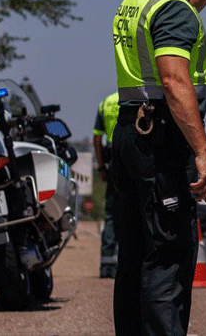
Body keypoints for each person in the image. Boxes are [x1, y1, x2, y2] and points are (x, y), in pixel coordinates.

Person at [110, 0, 206, 336]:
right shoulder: (172, 10)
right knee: (168, 257)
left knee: (134, 254)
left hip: (130, 135)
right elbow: (174, 80)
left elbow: (171, 23)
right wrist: (202, 152)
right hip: (162, 142)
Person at [93, 91, 120, 278]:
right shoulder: (139, 97)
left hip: (112, 160)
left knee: (111, 214)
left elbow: (97, 139)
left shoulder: (106, 102)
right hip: (132, 156)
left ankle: (106, 266)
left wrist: (101, 166)